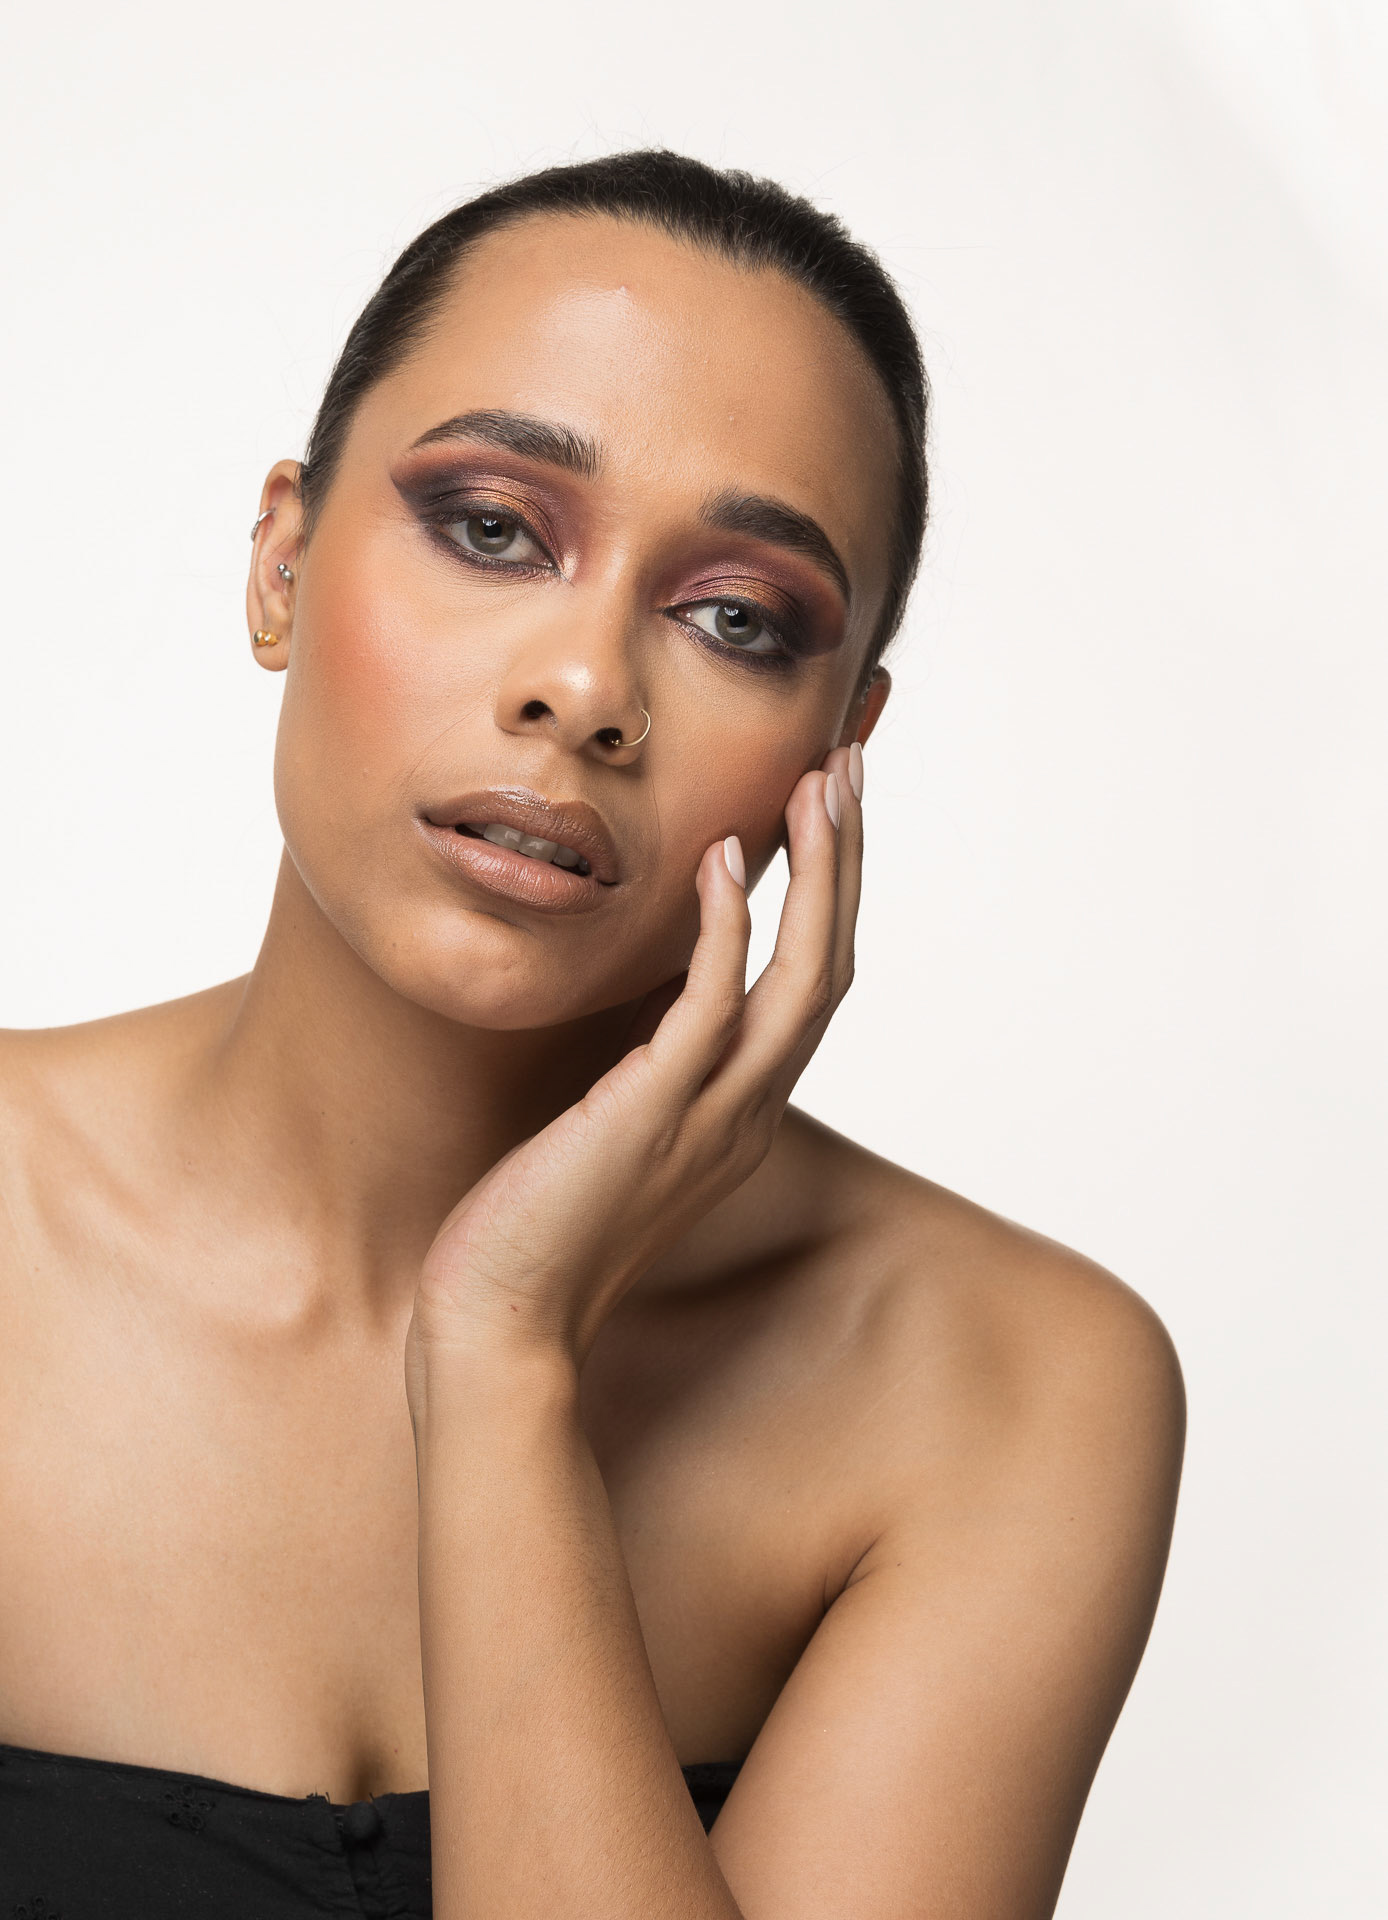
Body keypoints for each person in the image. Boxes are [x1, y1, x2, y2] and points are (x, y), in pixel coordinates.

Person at [0, 151, 1184, 1919]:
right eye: (492, 527)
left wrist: (501, 1357)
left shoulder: (1004, 1384)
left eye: (737, 619)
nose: (586, 689)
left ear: (838, 749)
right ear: (281, 562)